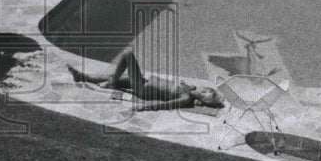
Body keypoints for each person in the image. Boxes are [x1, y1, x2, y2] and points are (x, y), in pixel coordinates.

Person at [67, 46, 222, 112]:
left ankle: (112, 82)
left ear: (205, 99)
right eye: (208, 89)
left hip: (142, 89)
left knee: (128, 54)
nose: (206, 89)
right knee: (112, 76)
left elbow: (166, 105)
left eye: (207, 93)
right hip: (143, 80)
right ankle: (80, 76)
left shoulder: (185, 97)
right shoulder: (190, 89)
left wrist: (144, 107)